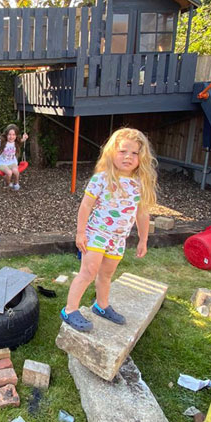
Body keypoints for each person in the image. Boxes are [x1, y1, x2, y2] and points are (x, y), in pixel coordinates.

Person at [61, 127, 157, 332]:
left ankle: (101, 306)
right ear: (112, 152)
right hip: (96, 233)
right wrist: (80, 232)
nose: (128, 157)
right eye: (123, 151)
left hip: (118, 239)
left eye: (134, 153)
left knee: (106, 274)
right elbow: (86, 205)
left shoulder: (140, 184)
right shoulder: (102, 179)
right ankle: (69, 310)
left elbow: (142, 214)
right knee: (88, 271)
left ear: (142, 157)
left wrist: (143, 239)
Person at [0, 123, 28, 190]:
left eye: (13, 135)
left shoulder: (16, 142)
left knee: (16, 171)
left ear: (16, 135)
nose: (11, 137)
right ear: (6, 135)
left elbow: (21, 140)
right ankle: (8, 183)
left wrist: (24, 138)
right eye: (9, 134)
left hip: (12, 162)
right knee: (9, 173)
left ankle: (16, 183)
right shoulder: (2, 142)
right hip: (2, 164)